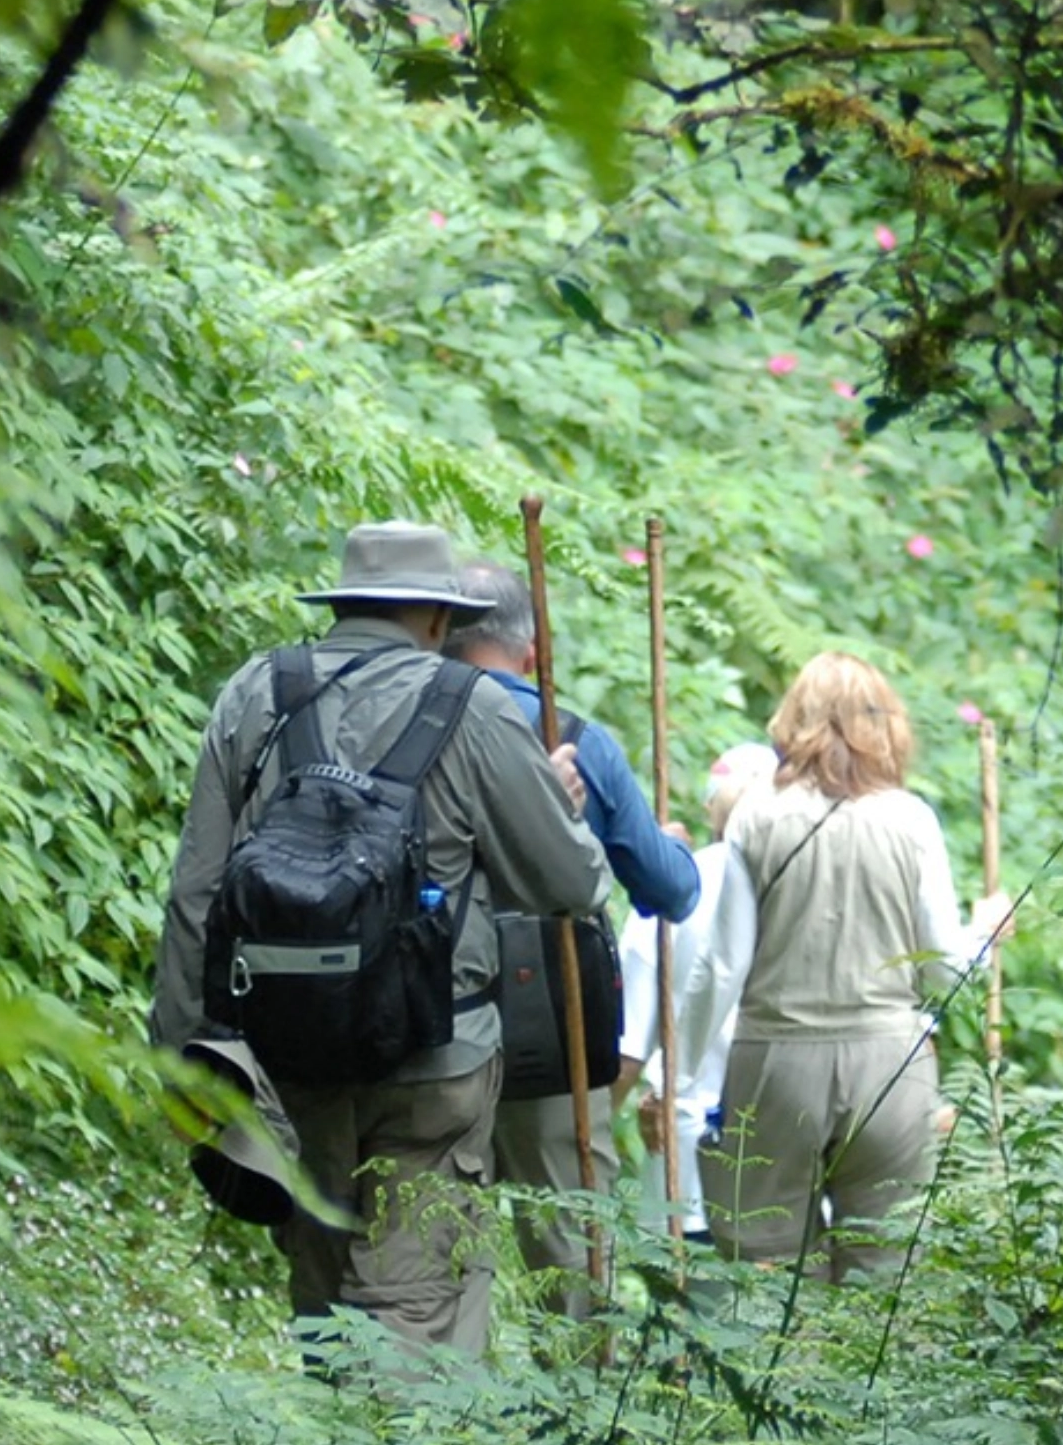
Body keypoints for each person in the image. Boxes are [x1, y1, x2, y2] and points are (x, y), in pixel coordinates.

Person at [150, 522, 610, 1356]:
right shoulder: (473, 709)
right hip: (436, 1059)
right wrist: (560, 807)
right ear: (439, 619)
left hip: (288, 1052)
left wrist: (187, 1051)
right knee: (415, 1309)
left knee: (322, 1297)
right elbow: (570, 886)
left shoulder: (256, 694)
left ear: (343, 603)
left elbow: (196, 895)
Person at [678, 653, 1010, 1282]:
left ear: (793, 720)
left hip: (776, 1064)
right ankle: (870, 1382)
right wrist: (986, 933)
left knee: (766, 1266)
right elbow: (942, 968)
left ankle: (783, 1376)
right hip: (889, 1065)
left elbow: (723, 965)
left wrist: (683, 1074)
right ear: (884, 724)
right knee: (881, 1275)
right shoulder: (911, 820)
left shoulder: (754, 815)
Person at [444, 562, 700, 1314]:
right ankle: (582, 1409)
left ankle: (429, 1417)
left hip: (427, 1026)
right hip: (551, 1031)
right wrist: (675, 847)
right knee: (570, 1242)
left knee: (431, 1248)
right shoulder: (573, 741)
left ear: (437, 638)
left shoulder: (406, 725)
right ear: (532, 650)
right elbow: (669, 891)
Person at [616, 740, 778, 1244]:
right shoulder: (805, 887)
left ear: (712, 809)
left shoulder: (675, 890)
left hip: (683, 1160)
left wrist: (586, 1137)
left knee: (690, 1313)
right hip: (784, 1150)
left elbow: (627, 1047)